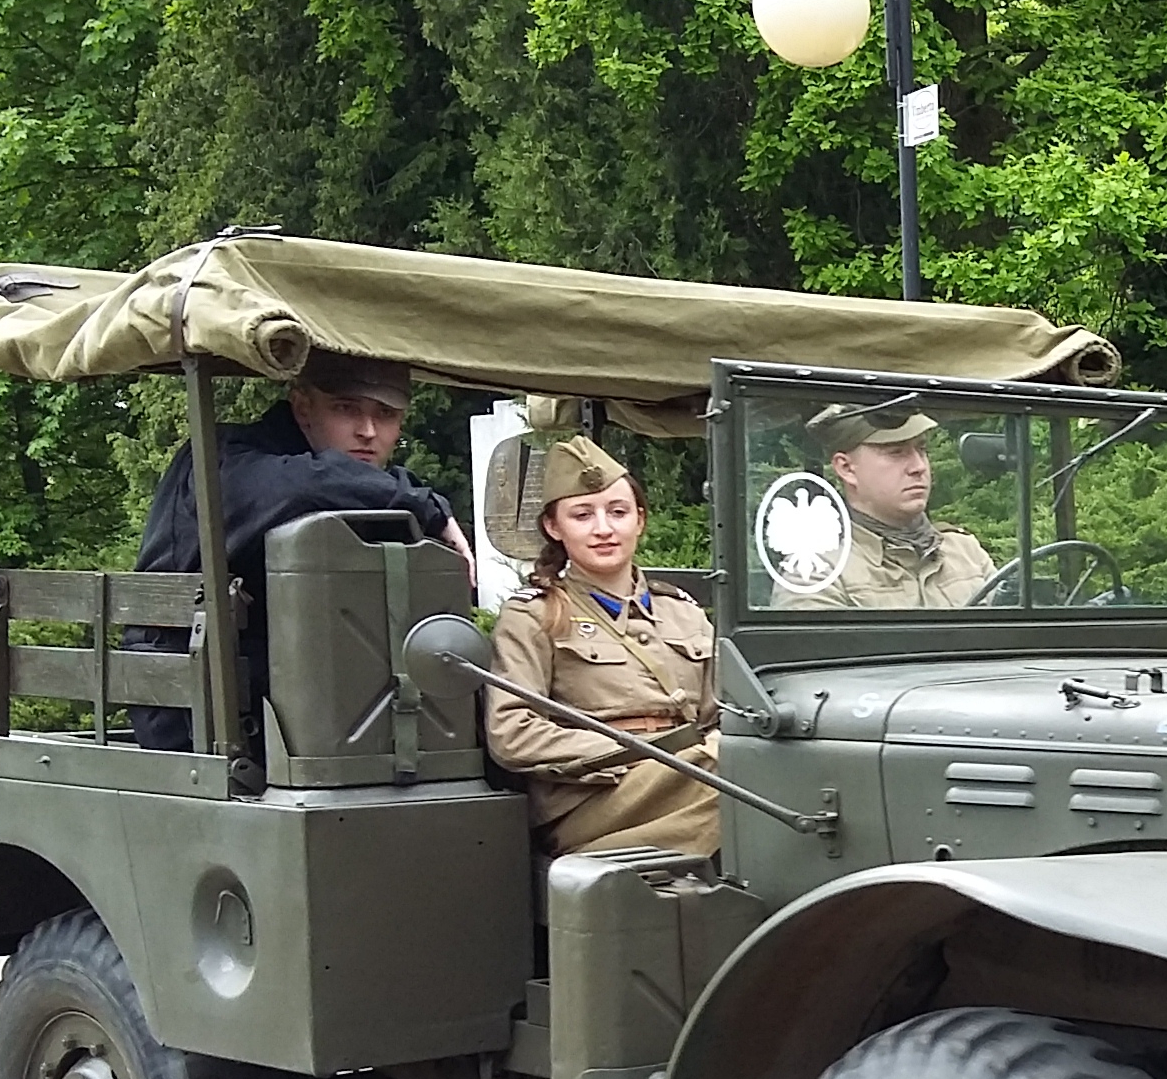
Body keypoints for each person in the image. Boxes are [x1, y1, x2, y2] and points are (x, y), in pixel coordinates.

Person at [126, 352, 469, 752]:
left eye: (386, 415)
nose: (367, 431)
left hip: (289, 701)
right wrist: (429, 507)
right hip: (191, 711)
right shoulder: (225, 459)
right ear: (303, 407)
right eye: (346, 409)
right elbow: (302, 485)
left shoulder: (360, 486)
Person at [486, 436, 721, 858]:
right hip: (595, 798)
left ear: (640, 520)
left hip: (691, 773)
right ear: (553, 527)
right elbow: (513, 732)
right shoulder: (535, 615)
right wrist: (625, 753)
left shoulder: (683, 611)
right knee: (742, 790)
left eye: (618, 512)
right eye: (582, 515)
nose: (603, 529)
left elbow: (719, 714)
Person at [776, 408, 994, 608]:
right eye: (896, 452)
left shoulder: (965, 551)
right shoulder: (816, 572)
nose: (919, 467)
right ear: (847, 468)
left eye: (921, 449)